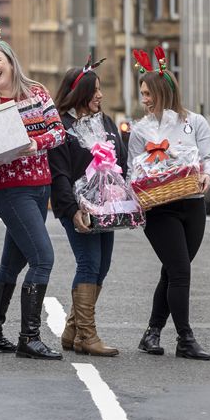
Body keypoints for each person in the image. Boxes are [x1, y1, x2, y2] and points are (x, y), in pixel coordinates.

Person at [0, 21, 65, 360]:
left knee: (11, 264)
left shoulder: (37, 92)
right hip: (10, 189)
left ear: (10, 61)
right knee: (42, 258)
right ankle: (30, 338)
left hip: (40, 186)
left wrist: (30, 144)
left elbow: (58, 133)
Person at [129, 47, 210, 360]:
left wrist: (207, 176)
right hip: (159, 207)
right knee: (180, 271)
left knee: (172, 271)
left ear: (165, 92)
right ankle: (186, 339)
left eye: (149, 94)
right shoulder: (140, 130)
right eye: (141, 93)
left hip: (193, 204)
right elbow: (133, 171)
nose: (145, 100)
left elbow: (209, 159)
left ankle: (151, 333)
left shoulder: (195, 123)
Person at [48, 58, 121, 356]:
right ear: (79, 95)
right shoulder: (62, 127)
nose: (100, 96)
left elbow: (121, 162)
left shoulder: (105, 122)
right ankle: (87, 337)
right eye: (95, 91)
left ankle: (71, 331)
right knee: (89, 263)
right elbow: (59, 174)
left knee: (102, 266)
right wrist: (72, 210)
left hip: (108, 208)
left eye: (101, 90)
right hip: (79, 209)